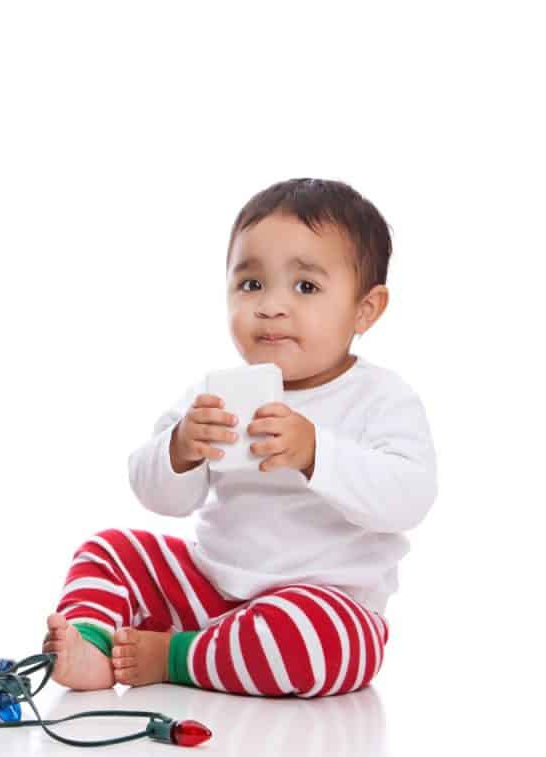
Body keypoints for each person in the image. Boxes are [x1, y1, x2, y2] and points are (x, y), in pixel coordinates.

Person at [43, 178, 437, 697]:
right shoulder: (216, 394)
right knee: (109, 549)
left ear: (366, 309)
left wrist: (317, 453)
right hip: (209, 587)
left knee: (311, 639)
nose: (271, 306)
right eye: (251, 285)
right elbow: (159, 496)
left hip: (324, 603)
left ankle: (176, 656)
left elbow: (408, 498)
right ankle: (93, 645)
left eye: (305, 287)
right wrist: (181, 448)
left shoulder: (380, 397)